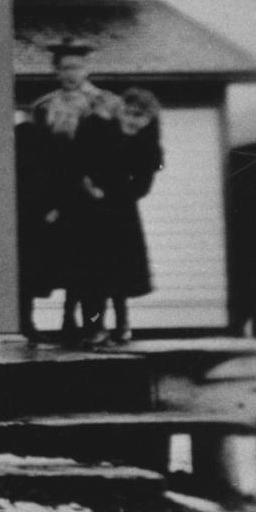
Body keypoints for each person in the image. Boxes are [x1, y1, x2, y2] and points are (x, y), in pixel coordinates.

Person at [28, 40, 121, 343]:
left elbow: (117, 152)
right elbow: (39, 157)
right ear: (55, 70)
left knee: (96, 265)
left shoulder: (106, 103)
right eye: (65, 67)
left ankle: (96, 324)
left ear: (87, 68)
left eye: (77, 67)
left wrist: (105, 189)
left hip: (94, 196)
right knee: (66, 262)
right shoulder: (45, 107)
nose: (71, 73)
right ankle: (69, 322)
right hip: (60, 196)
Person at [71, 87, 164, 346]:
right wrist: (89, 188)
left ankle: (122, 324)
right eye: (128, 112)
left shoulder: (148, 145)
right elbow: (79, 160)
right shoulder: (100, 130)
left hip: (122, 214)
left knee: (120, 273)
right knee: (92, 272)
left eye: (140, 116)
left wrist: (114, 194)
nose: (132, 119)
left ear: (148, 119)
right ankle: (94, 327)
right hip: (91, 212)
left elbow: (143, 186)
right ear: (119, 110)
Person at [13, 108, 57, 343]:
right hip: (35, 217)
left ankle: (26, 323)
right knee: (29, 275)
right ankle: (27, 323)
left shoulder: (20, 139)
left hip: (27, 216)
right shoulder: (42, 142)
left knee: (26, 275)